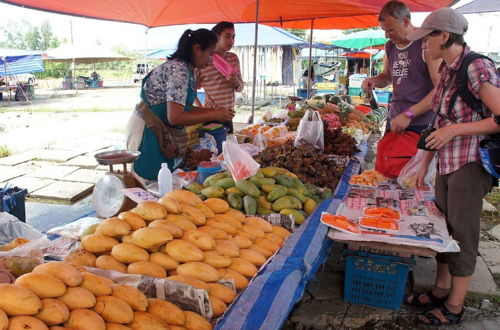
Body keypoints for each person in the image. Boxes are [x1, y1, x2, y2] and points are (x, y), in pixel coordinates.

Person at [405, 8, 500, 326]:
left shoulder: (477, 67)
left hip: (471, 163)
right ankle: (441, 289)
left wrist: (456, 131)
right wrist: (423, 164)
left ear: (444, 36)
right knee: (443, 228)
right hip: (446, 162)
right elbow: (438, 123)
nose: (423, 46)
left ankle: (455, 306)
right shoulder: (446, 70)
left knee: (463, 233)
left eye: (427, 38)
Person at [126, 29, 235, 180]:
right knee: (149, 180)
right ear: (197, 49)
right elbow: (175, 117)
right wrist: (215, 114)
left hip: (159, 128)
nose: (212, 60)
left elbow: (185, 108)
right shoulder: (178, 70)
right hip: (148, 129)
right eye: (210, 54)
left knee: (163, 177)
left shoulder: (188, 69)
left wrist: (214, 112)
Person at [361, 1, 442, 134]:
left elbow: (440, 89)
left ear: (405, 21)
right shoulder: (390, 46)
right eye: (384, 30)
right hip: (395, 119)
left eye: (390, 30)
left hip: (421, 124)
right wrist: (373, 81)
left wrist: (409, 114)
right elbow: (386, 78)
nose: (386, 35)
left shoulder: (426, 44)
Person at [197, 21, 243, 134]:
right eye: (227, 36)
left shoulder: (233, 58)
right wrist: (200, 109)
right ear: (216, 37)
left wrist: (235, 82)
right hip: (209, 116)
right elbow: (192, 90)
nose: (231, 41)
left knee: (227, 148)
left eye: (233, 37)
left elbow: (240, 88)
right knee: (213, 149)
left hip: (228, 115)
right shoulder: (204, 60)